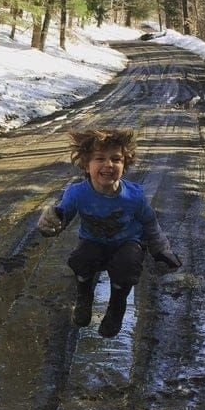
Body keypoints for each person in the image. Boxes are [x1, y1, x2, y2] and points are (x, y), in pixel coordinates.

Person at [37, 128, 181, 337]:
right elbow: (61, 217)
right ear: (87, 165)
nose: (108, 165)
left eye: (116, 159)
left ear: (125, 164)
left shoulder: (134, 196)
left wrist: (161, 250)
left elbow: (150, 223)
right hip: (93, 241)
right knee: (80, 259)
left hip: (127, 242)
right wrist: (49, 223)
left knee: (128, 264)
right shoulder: (77, 193)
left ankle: (116, 307)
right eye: (100, 159)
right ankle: (84, 295)